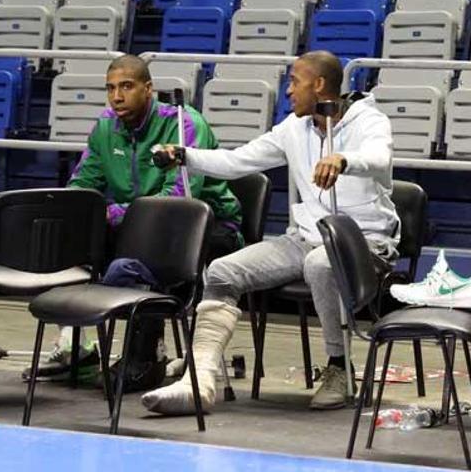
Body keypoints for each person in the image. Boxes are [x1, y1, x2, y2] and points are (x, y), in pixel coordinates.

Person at [141, 50, 400, 414]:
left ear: (320, 84)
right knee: (222, 271)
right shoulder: (293, 129)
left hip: (363, 243)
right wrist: (184, 155)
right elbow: (236, 161)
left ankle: (340, 368)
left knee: (320, 264)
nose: (288, 91)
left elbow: (379, 157)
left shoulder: (368, 120)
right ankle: (199, 379)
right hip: (304, 237)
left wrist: (343, 160)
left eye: (295, 81)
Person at [30, 55, 243, 386]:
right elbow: (83, 184)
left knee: (138, 258)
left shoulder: (183, 124)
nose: (117, 96)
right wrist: (79, 211)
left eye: (126, 87)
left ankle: (146, 358)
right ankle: (77, 349)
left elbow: (178, 200)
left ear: (148, 89)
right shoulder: (105, 128)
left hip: (204, 229)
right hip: (134, 228)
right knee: (68, 234)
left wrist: (113, 213)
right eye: (111, 88)